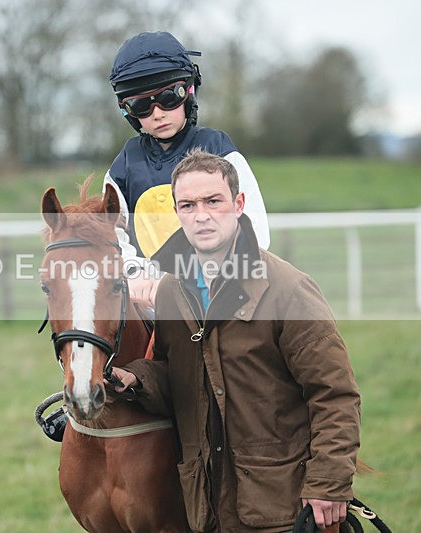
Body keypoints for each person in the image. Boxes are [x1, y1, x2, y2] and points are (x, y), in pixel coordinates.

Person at [109, 149, 361, 532]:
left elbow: (335, 394)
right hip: (207, 511)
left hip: (283, 510)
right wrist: (137, 379)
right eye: (188, 205)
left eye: (213, 201)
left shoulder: (289, 290)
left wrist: (328, 484)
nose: (201, 215)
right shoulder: (172, 292)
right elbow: (178, 377)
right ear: (176, 213)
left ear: (239, 204)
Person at [104, 31, 270, 305]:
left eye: (169, 97)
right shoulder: (122, 167)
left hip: (221, 294)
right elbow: (112, 233)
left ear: (189, 92)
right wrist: (134, 274)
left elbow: (254, 229)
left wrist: (220, 277)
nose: (157, 113)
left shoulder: (220, 150)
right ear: (127, 111)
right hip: (149, 300)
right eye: (141, 105)